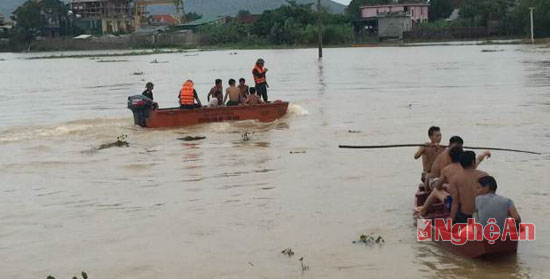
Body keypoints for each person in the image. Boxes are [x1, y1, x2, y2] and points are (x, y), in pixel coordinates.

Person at [417, 146, 463, 216]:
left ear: (450, 157)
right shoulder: (467, 169)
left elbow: (438, 186)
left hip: (454, 204)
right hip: (468, 204)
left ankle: (423, 210)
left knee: (436, 191)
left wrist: (445, 185)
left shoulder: (446, 169)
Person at [448, 151, 488, 224]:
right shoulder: (484, 175)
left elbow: (455, 203)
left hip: (465, 216)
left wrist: (450, 221)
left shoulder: (455, 179)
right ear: (473, 162)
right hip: (482, 215)